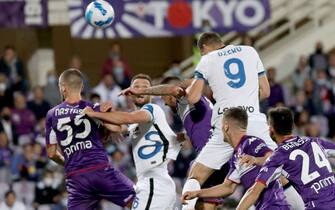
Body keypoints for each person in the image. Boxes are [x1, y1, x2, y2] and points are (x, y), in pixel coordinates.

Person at [179, 32, 303, 210]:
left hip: (227, 126)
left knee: (196, 175)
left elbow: (193, 97)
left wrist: (189, 86)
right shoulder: (250, 51)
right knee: (283, 171)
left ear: (204, 48)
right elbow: (266, 91)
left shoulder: (207, 60)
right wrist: (245, 101)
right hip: (255, 122)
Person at [120, 76, 229, 209]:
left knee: (191, 184)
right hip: (220, 155)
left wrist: (143, 91)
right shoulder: (189, 109)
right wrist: (181, 138)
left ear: (170, 95)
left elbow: (182, 84)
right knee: (203, 205)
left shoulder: (187, 97)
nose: (164, 103)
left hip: (213, 153)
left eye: (163, 97)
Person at [84, 74, 181, 210]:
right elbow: (117, 127)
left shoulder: (152, 109)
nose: (140, 90)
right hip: (150, 183)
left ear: (151, 93)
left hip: (155, 182)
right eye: (136, 87)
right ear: (130, 93)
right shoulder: (135, 122)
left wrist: (94, 114)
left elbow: (128, 118)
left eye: (145, 87)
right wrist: (103, 116)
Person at [45, 69, 135, 210]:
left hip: (76, 179)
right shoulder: (94, 108)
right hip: (100, 170)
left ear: (62, 88)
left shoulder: (51, 114)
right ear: (81, 87)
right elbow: (116, 128)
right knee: (139, 202)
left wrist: (68, 162)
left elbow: (51, 153)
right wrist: (109, 120)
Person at [181, 107, 290, 210]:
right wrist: (197, 193)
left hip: (279, 203)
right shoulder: (236, 156)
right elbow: (227, 187)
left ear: (226, 127)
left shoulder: (251, 142)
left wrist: (256, 160)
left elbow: (273, 158)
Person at [236, 107, 335, 210]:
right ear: (292, 126)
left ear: (271, 129)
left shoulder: (279, 156)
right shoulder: (314, 141)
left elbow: (254, 192)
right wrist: (256, 160)